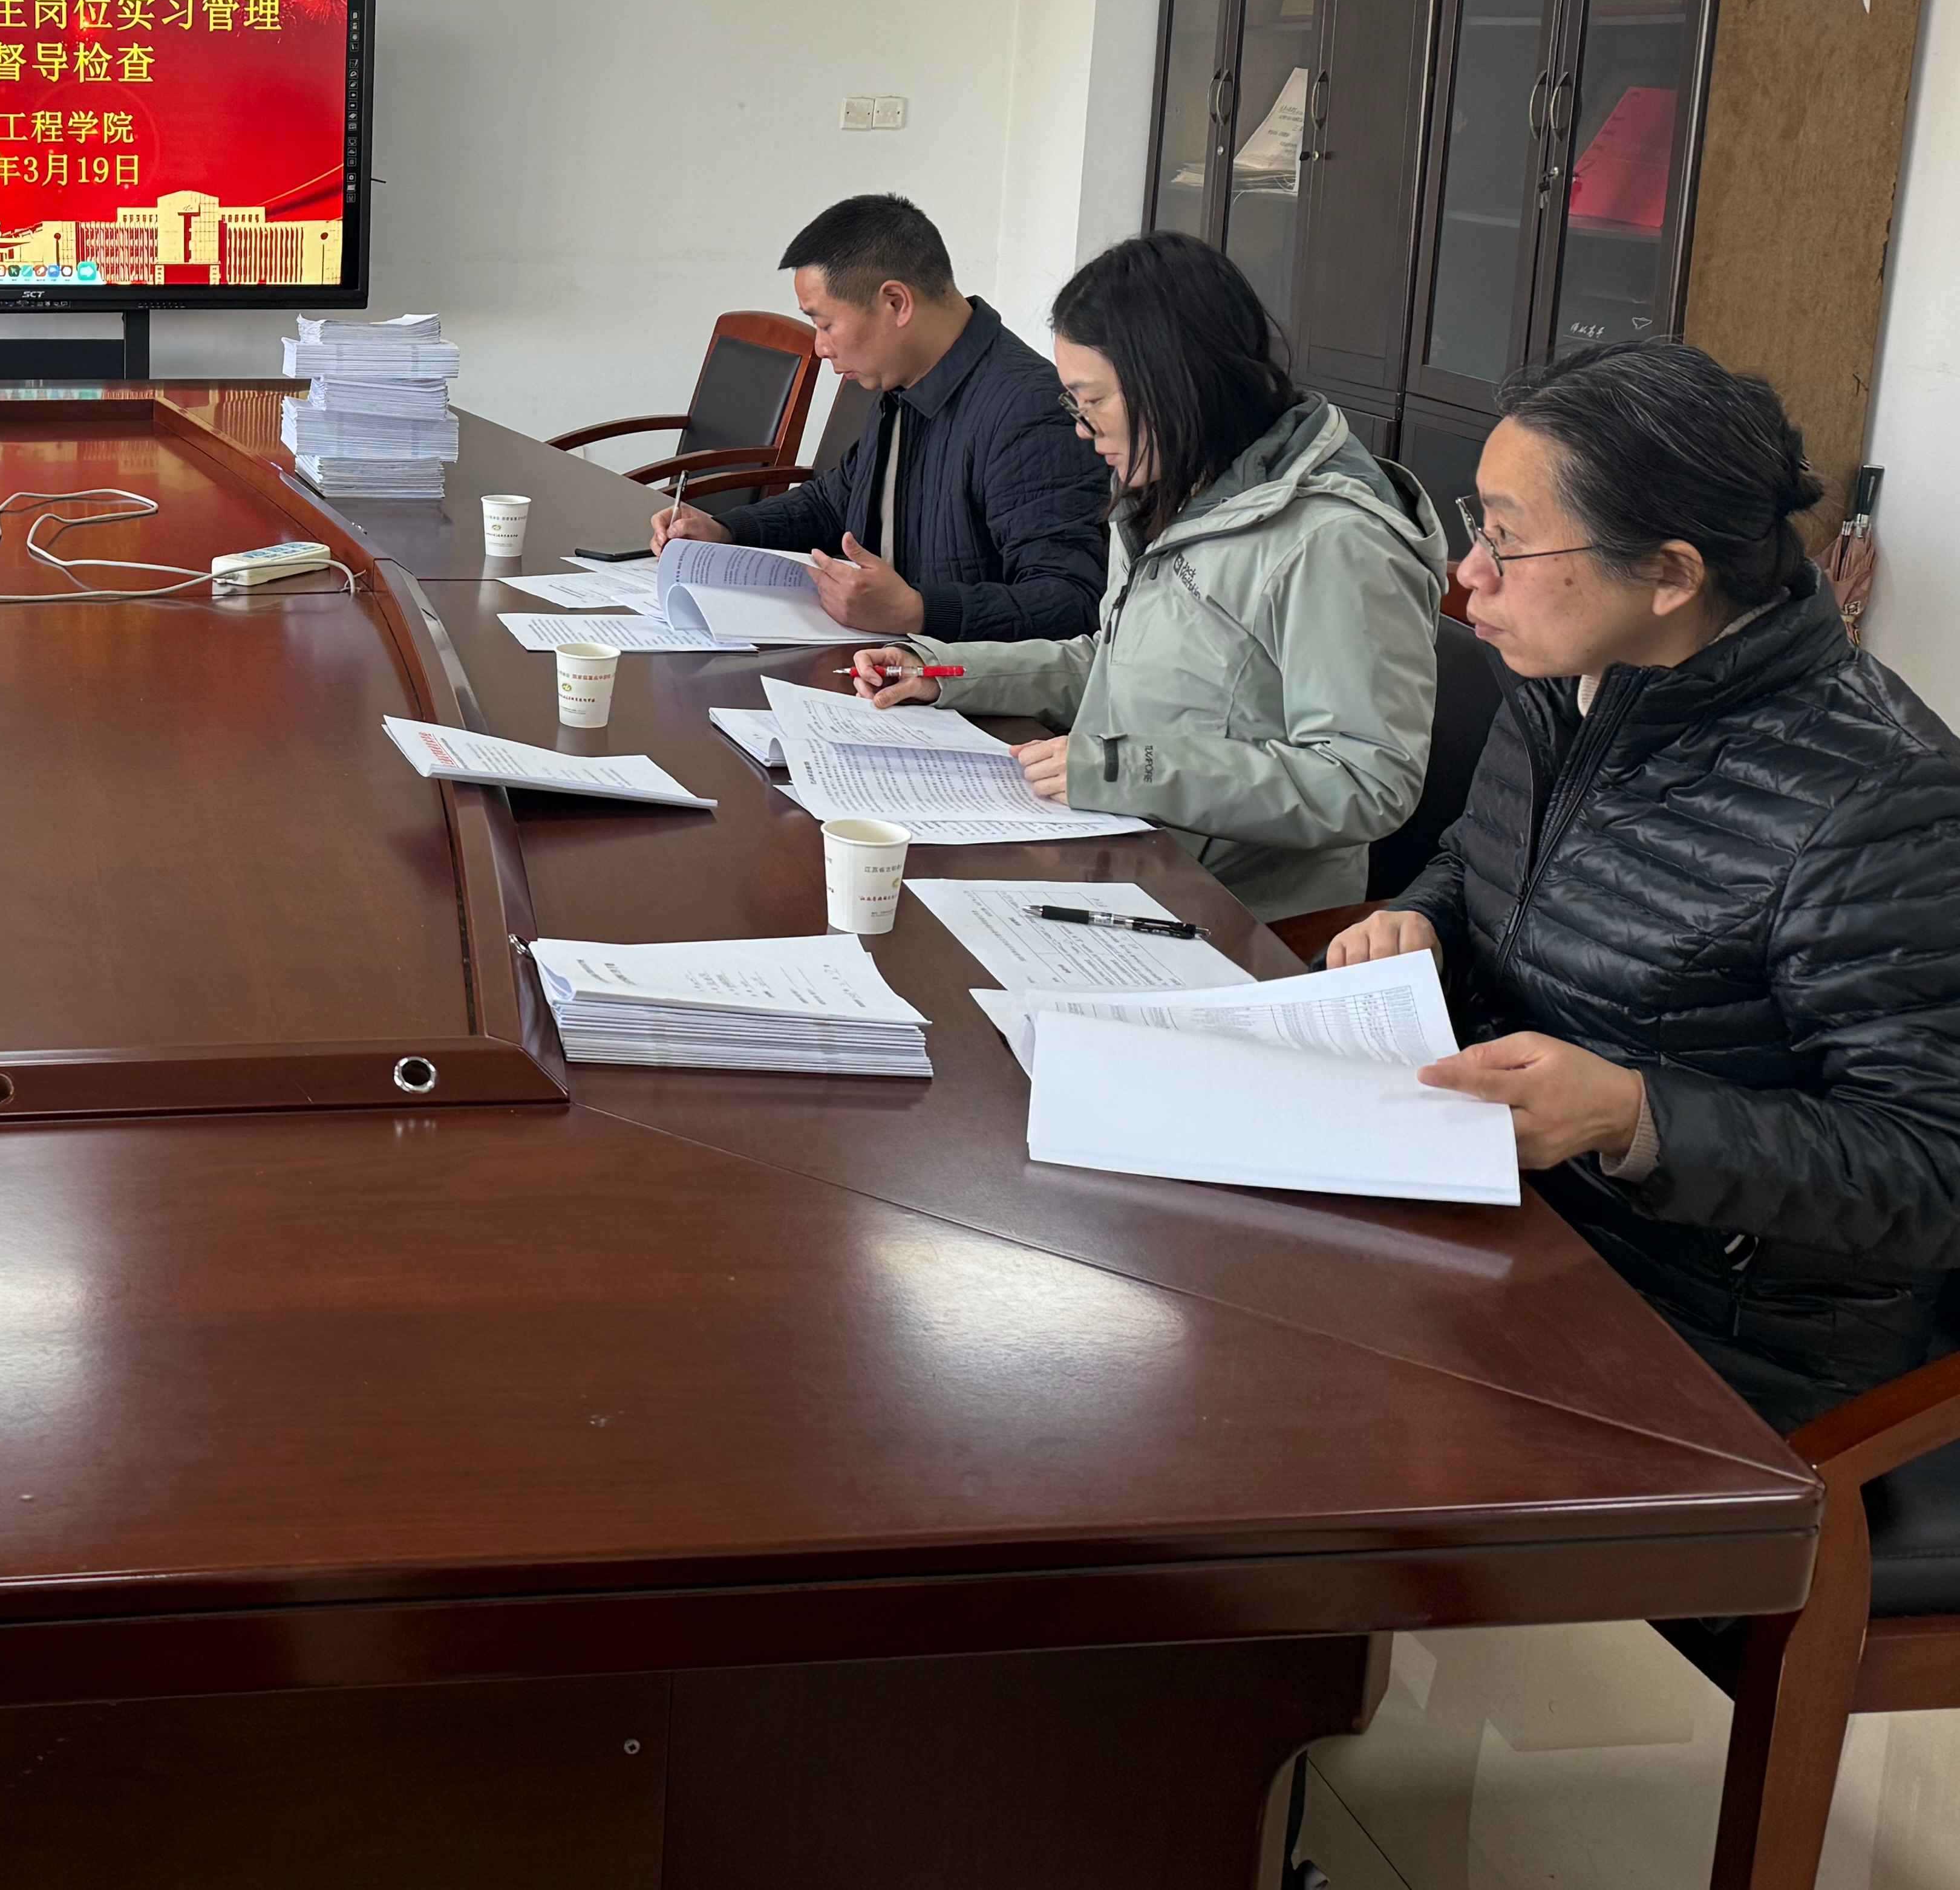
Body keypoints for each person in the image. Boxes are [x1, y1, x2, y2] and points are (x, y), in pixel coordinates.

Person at [1327, 340, 1960, 1433]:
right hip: (1506, 1206)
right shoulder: (1566, 676)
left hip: (1706, 1326)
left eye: (1507, 540)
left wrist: (1636, 1116)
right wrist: (1419, 914)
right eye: (1479, 525)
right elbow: (1487, 854)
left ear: (1670, 575)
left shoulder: (1883, 800)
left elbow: (1932, 1168)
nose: (1468, 574)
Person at [850, 233, 1446, 922]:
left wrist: (1127, 770)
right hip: (1118, 851)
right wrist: (943, 671)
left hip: (1230, 915)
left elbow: (1367, 780)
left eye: (1092, 401)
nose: (1081, 429)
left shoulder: (1334, 541)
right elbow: (1112, 664)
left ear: (1173, 381)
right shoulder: (1173, 485)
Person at [655, 194, 1108, 642]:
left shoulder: (1029, 411)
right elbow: (837, 500)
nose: (820, 347)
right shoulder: (904, 380)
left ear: (895, 303)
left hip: (957, 679)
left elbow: (1073, 602)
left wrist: (918, 611)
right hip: (878, 658)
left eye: (825, 324)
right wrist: (727, 530)